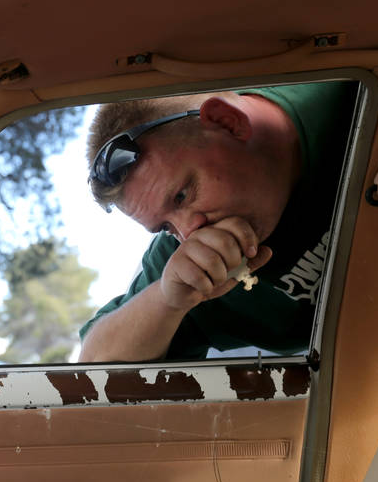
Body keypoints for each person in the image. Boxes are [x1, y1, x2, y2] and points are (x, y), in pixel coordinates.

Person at [78, 81, 358, 362]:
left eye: (182, 196)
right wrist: (167, 302)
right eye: (166, 228)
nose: (188, 233)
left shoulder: (348, 87)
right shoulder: (191, 269)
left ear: (227, 123)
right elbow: (95, 365)